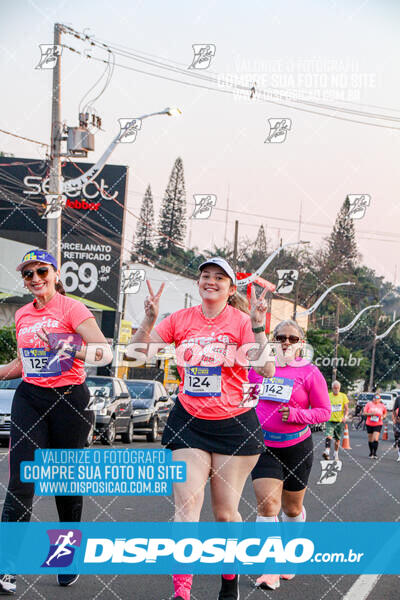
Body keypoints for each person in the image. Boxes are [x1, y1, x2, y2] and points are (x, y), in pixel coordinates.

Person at [126, 257, 275, 600]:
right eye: (205, 276)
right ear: (199, 283)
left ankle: (228, 581)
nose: (211, 281)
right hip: (189, 422)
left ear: (230, 288)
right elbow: (136, 357)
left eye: (219, 278)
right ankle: (183, 592)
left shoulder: (240, 322)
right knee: (187, 507)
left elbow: (267, 370)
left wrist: (258, 327)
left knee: (225, 514)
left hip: (233, 426)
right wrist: (148, 321)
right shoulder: (180, 319)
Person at [0, 249, 112, 594]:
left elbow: (103, 352)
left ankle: (66, 557)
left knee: (64, 484)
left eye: (41, 272)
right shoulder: (21, 314)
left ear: (55, 273)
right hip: (30, 398)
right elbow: (23, 364)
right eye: (29, 274)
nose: (35, 279)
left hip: (69, 402)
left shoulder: (71, 308)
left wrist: (66, 345)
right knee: (20, 479)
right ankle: (8, 565)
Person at [248, 319, 331, 591]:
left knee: (291, 509)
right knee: (267, 505)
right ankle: (269, 569)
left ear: (301, 344)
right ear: (272, 341)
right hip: (264, 447)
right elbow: (242, 398)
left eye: (292, 339)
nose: (285, 342)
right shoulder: (258, 370)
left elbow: (324, 412)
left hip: (297, 446)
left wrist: (297, 415)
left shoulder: (310, 373)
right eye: (281, 337)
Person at [323, 380, 349, 461]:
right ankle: (327, 451)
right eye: (334, 388)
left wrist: (345, 416)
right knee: (328, 435)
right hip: (330, 420)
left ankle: (335, 453)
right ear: (332, 388)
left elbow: (346, 408)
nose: (336, 389)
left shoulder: (343, 396)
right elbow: (325, 406)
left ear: (339, 388)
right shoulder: (328, 395)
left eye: (337, 388)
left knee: (337, 439)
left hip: (339, 421)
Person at [363, 393, 387, 459]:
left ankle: (375, 453)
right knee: (370, 439)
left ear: (380, 399)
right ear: (373, 399)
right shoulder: (369, 404)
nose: (376, 400)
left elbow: (385, 413)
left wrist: (383, 417)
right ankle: (371, 453)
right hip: (369, 423)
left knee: (375, 438)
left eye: (378, 399)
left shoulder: (382, 406)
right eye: (375, 399)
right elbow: (364, 413)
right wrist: (371, 414)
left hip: (378, 424)